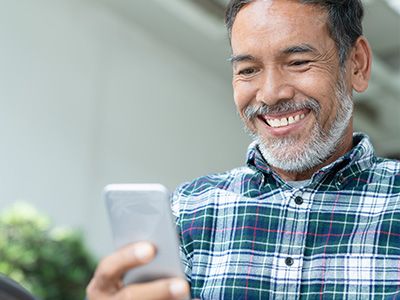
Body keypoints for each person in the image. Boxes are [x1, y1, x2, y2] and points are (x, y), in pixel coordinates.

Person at [86, 0, 400, 299]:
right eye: (248, 69)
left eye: (298, 62)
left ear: (357, 64)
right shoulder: (186, 213)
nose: (271, 93)